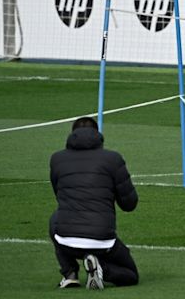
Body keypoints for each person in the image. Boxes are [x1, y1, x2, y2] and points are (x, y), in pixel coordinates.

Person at [49, 117, 139, 289]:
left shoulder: (57, 159)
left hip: (66, 240)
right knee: (131, 275)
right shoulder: (112, 159)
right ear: (97, 134)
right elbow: (129, 204)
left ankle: (70, 273)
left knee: (56, 218)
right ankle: (101, 269)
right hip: (102, 241)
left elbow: (59, 196)